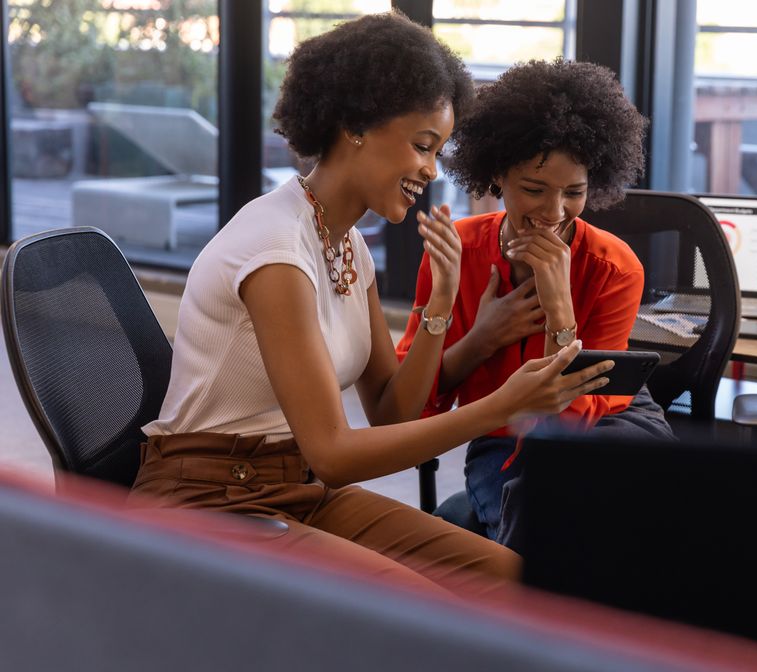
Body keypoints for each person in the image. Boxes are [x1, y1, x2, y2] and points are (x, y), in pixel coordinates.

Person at [129, 13, 611, 596]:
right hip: (208, 499)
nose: (432, 170)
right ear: (355, 125)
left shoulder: (346, 241)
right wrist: (496, 408)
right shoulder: (276, 252)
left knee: (518, 584)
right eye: (422, 145)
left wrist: (441, 304)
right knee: (427, 613)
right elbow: (334, 452)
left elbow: (390, 412)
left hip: (297, 487)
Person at [396, 59, 674, 547]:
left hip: (609, 416)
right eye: (533, 190)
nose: (553, 212)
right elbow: (415, 405)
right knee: (541, 517)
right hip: (502, 435)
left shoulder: (614, 266)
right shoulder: (455, 252)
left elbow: (567, 422)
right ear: (498, 175)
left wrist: (560, 308)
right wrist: (483, 339)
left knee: (594, 518)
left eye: (575, 193)